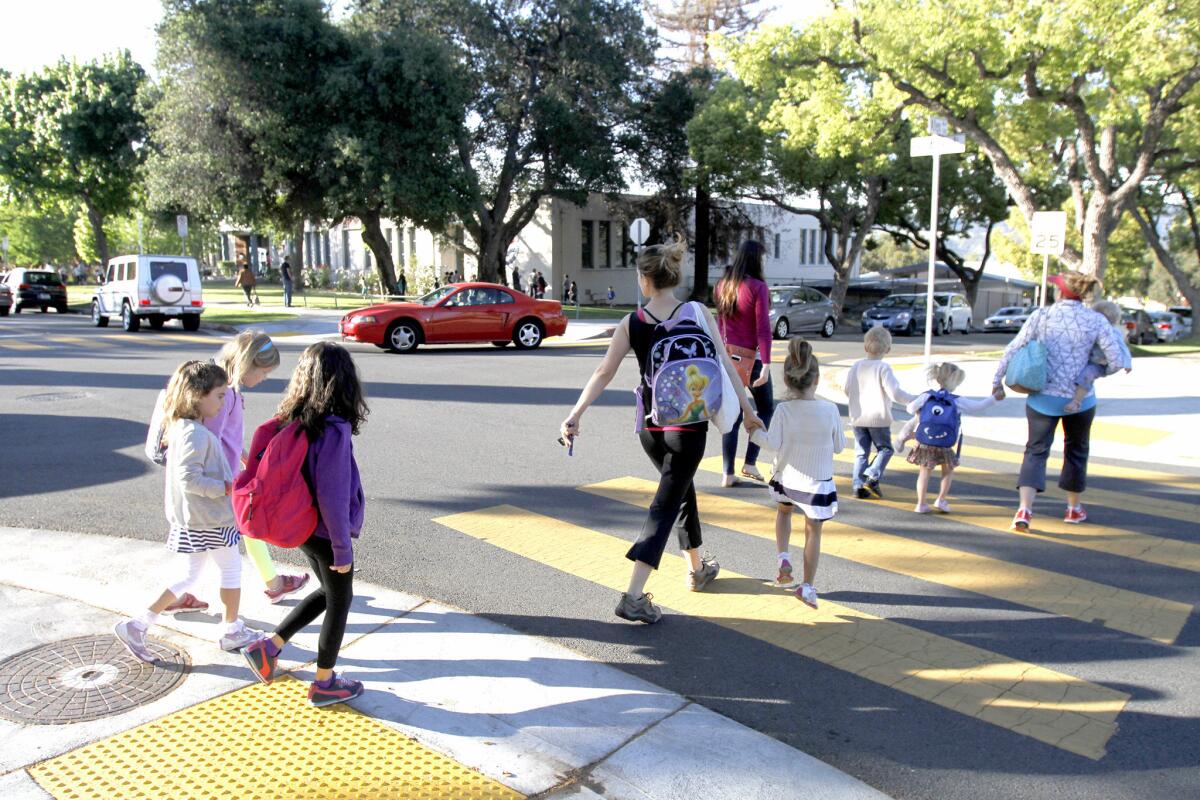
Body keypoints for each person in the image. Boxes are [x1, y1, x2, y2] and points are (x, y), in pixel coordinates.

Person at [559, 237, 763, 624]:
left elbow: (604, 372)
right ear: (673, 275)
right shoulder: (697, 312)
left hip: (650, 428)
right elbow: (723, 360)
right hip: (689, 429)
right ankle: (633, 596)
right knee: (666, 505)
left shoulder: (631, 322)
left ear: (643, 279)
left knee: (680, 491)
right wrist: (748, 413)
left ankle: (698, 568)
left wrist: (575, 414)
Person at [241, 342, 368, 707]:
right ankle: (325, 682)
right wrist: (343, 547)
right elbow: (331, 493)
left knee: (328, 593)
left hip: (303, 528)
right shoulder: (333, 429)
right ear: (343, 382)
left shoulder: (296, 421)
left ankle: (269, 647)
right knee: (341, 599)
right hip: (327, 532)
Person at [114, 361, 262, 662]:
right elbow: (189, 479)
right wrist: (226, 487)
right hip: (210, 518)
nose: (224, 403)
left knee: (189, 575)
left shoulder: (184, 427)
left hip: (197, 518)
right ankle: (231, 629)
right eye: (219, 396)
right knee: (230, 569)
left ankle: (138, 624)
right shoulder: (195, 433)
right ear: (197, 395)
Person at [993, 271, 1125, 529]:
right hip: (1081, 400)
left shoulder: (1041, 316)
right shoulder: (1096, 320)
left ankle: (1024, 511)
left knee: (1035, 450)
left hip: (1042, 396)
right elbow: (1116, 360)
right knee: (1076, 451)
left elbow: (1014, 347)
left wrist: (997, 382)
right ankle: (1073, 509)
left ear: (1060, 292)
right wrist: (1095, 372)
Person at [203, 331, 309, 603]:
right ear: (246, 364)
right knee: (232, 534)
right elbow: (211, 438)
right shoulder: (223, 394)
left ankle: (273, 583)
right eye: (262, 373)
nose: (263, 379)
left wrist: (246, 458)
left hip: (228, 475)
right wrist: (222, 480)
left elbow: (226, 436)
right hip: (220, 479)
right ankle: (182, 593)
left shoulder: (226, 390)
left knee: (247, 526)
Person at [750, 338, 843, 608]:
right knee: (814, 533)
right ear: (817, 379)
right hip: (817, 485)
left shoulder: (784, 410)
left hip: (787, 480)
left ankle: (783, 559)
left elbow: (771, 443)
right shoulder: (830, 410)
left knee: (784, 512)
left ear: (788, 381)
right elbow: (839, 447)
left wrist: (754, 431)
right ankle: (808, 586)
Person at [899, 363, 1005, 514]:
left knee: (924, 472)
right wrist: (994, 398)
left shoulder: (927, 396)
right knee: (947, 470)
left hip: (925, 441)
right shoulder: (957, 400)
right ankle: (941, 499)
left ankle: (921, 504)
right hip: (945, 443)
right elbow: (977, 407)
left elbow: (910, 409)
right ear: (955, 381)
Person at [714, 240, 775, 487]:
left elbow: (719, 326)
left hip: (728, 358)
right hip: (753, 360)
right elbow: (763, 329)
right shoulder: (758, 287)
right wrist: (768, 364)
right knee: (767, 409)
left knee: (734, 413)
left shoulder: (722, 286)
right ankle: (750, 462)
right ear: (756, 260)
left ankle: (727, 473)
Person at [846, 326, 914, 499]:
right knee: (885, 449)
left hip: (858, 417)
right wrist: (913, 399)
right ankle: (872, 475)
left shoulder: (856, 366)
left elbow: (847, 389)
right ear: (888, 349)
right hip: (878, 418)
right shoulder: (883, 368)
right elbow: (895, 393)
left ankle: (857, 485)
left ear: (865, 347)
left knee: (861, 452)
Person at [1065, 300, 1132, 414]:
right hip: (1089, 358)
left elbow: (1123, 348)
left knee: (1087, 375)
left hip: (1099, 363)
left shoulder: (1113, 331)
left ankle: (1076, 401)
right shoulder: (1091, 327)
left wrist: (1127, 363)